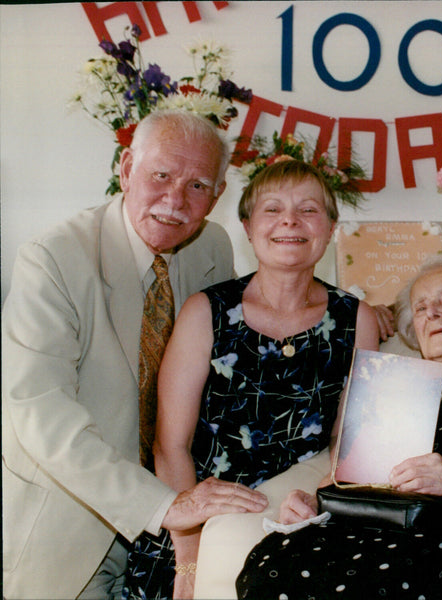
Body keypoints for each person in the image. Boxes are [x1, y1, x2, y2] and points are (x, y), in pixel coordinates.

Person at [1, 109, 270, 600]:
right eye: (160, 175)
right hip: (69, 523)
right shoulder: (53, 259)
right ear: (125, 169)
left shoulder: (211, 245)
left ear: (218, 194)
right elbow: (40, 412)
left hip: (178, 522)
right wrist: (162, 506)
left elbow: (235, 355)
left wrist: (356, 310)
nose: (174, 201)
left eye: (196, 186)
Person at [235, 255, 442, 599]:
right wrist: (311, 500)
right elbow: (347, 478)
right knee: (271, 565)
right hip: (367, 525)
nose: (433, 313)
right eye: (421, 307)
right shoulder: (395, 382)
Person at [124, 159, 381, 599]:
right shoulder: (205, 311)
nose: (290, 221)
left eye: (308, 209)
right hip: (196, 516)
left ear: (332, 227)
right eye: (272, 208)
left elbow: (350, 447)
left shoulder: (357, 319)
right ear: (247, 226)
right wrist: (189, 557)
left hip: (299, 515)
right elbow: (170, 446)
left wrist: (314, 504)